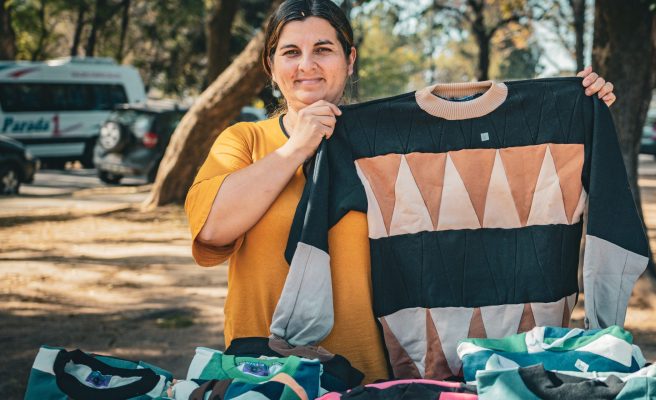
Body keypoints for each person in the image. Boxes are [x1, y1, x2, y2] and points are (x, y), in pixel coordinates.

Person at [184, 0, 617, 384]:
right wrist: (298, 146)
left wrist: (577, 113)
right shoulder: (244, 141)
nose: (307, 65)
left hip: (371, 375)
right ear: (270, 65)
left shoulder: (389, 148)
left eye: (323, 50)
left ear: (349, 60)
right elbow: (212, 230)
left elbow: (474, 194)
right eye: (291, 52)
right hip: (267, 372)